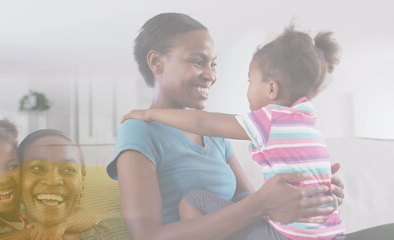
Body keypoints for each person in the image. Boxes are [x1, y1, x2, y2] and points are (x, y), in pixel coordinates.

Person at [106, 12, 345, 240]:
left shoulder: (215, 135)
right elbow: (145, 236)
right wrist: (261, 203)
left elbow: (254, 204)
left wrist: (307, 195)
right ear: (157, 62)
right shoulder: (139, 129)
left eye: (213, 64)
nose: (211, 75)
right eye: (198, 61)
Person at [18, 129, 127, 240]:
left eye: (68, 170)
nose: (53, 181)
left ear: (82, 186)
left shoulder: (125, 231)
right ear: (17, 182)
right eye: (37, 168)